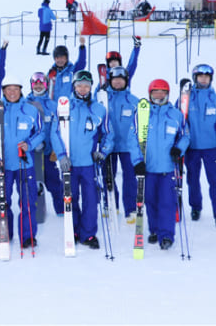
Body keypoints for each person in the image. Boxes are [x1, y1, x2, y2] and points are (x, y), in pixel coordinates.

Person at [51, 70, 114, 249]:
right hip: (69, 163)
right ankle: (74, 230)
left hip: (88, 164)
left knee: (90, 199)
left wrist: (103, 151)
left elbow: (109, 134)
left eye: (87, 86)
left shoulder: (99, 109)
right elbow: (55, 133)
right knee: (70, 197)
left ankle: (88, 234)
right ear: (74, 86)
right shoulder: (64, 106)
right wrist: (62, 156)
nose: (83, 89)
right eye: (80, 85)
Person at [0, 75, 44, 248]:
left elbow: (41, 132)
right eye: (8, 89)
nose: (12, 92)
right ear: (3, 91)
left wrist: (30, 144)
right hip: (2, 165)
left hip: (25, 164)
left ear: (21, 90)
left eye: (15, 89)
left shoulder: (31, 110)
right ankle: (5, 232)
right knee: (3, 201)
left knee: (27, 201)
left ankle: (28, 236)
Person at [135, 79, 189, 250]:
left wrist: (178, 149)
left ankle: (166, 235)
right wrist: (137, 162)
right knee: (150, 201)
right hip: (148, 168)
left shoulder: (175, 114)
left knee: (167, 202)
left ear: (167, 94)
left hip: (167, 168)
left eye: (162, 92)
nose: (159, 95)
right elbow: (132, 140)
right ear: (150, 94)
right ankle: (154, 230)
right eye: (155, 92)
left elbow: (185, 136)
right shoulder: (142, 113)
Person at [178, 64, 216, 227]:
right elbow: (177, 121)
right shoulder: (186, 98)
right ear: (195, 78)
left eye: (207, 77)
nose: (203, 79)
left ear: (210, 79)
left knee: (215, 180)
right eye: (200, 76)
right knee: (193, 180)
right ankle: (195, 207)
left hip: (211, 149)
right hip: (191, 148)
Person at [102, 66, 140, 223]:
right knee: (108, 176)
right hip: (108, 146)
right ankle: (111, 204)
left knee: (130, 177)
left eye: (121, 79)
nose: (118, 82)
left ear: (126, 81)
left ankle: (130, 208)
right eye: (115, 79)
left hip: (127, 146)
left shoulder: (133, 101)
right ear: (110, 81)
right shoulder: (103, 99)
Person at [25, 72, 63, 215]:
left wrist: (56, 150)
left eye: (42, 83)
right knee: (32, 182)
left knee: (53, 180)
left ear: (46, 85)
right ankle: (33, 210)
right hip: (30, 153)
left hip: (47, 153)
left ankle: (60, 209)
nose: (39, 85)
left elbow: (58, 129)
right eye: (36, 83)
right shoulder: (25, 104)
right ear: (32, 85)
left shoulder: (53, 106)